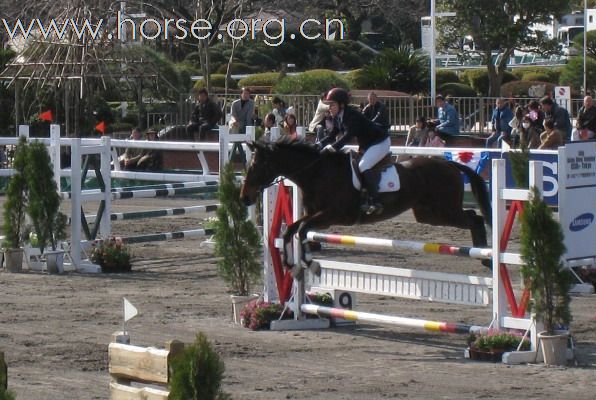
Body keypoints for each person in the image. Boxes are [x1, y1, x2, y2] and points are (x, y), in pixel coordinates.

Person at [319, 88, 390, 215]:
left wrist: (330, 148)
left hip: (380, 142)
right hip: (368, 144)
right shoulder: (337, 117)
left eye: (332, 104)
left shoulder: (352, 115)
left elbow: (347, 137)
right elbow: (332, 135)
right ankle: (362, 197)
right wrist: (318, 145)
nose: (329, 107)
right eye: (329, 105)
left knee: (363, 166)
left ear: (341, 104)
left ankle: (375, 201)